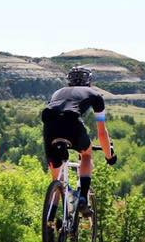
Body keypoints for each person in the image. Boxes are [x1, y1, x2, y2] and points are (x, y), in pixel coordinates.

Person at [42, 66, 117, 214]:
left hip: (49, 126)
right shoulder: (95, 95)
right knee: (87, 155)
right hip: (72, 124)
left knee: (57, 179)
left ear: (69, 81)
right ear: (89, 81)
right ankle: (83, 198)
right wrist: (109, 156)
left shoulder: (58, 92)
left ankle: (49, 221)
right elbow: (101, 132)